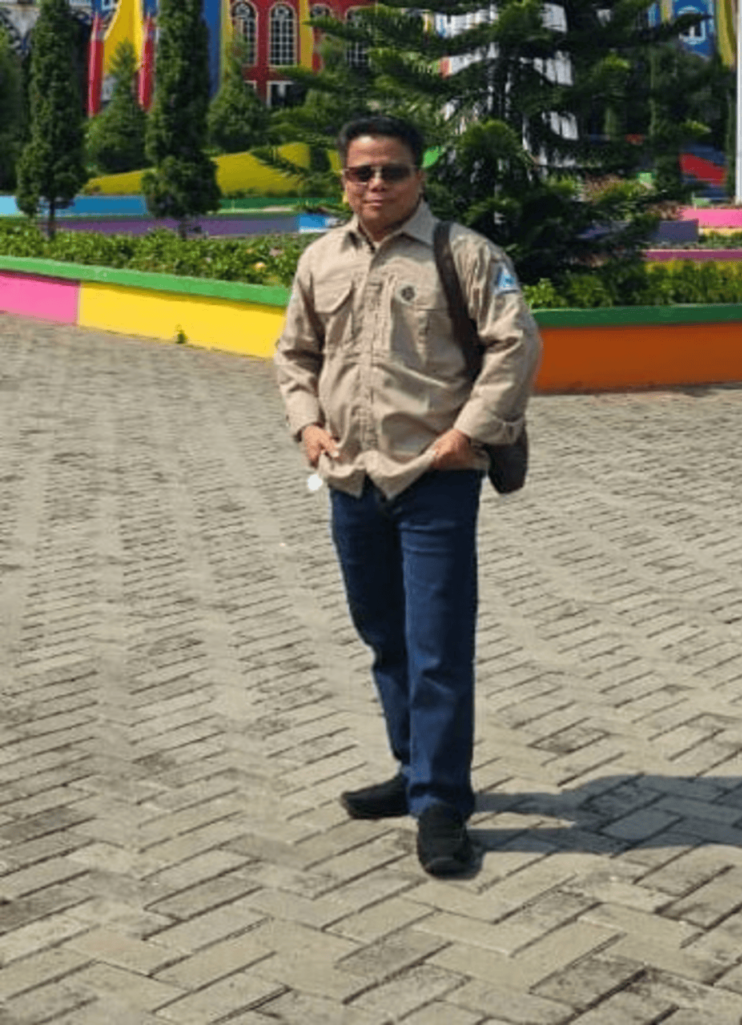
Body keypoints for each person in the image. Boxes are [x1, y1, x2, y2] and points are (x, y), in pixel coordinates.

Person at [275, 115, 542, 876]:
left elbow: (516, 345)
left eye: (392, 171)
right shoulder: (321, 259)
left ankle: (442, 803)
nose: (377, 184)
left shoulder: (465, 254)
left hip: (435, 479)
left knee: (437, 645)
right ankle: (411, 766)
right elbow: (294, 353)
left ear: (419, 176)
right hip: (351, 479)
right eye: (362, 172)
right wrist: (307, 425)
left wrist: (468, 434)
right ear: (343, 181)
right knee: (385, 636)